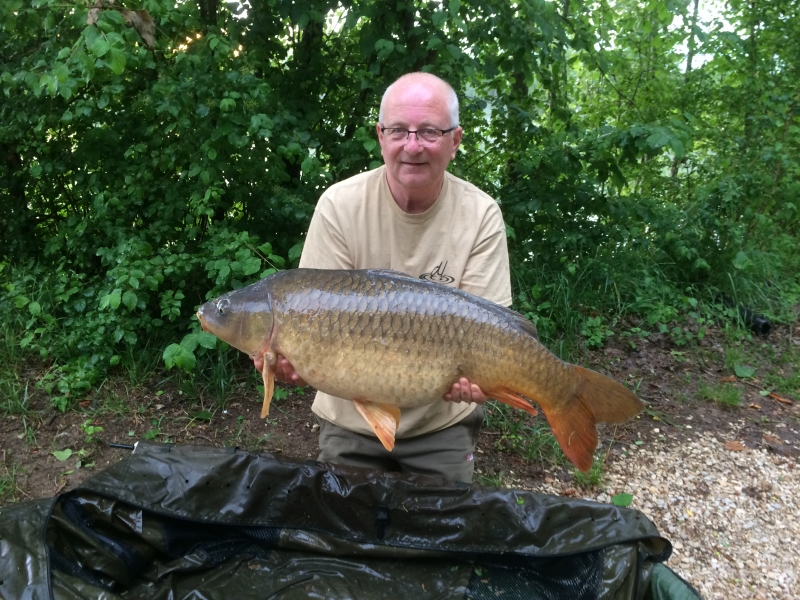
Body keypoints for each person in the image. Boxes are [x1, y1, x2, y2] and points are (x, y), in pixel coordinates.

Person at [256, 72, 513, 483]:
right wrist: (290, 365)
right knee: (345, 533)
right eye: (398, 130)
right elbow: (311, 328)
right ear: (380, 136)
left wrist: (487, 380)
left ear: (455, 140)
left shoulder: (480, 215)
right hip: (349, 421)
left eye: (429, 131)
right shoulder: (339, 206)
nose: (412, 146)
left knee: (440, 535)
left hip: (440, 421)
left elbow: (493, 331)